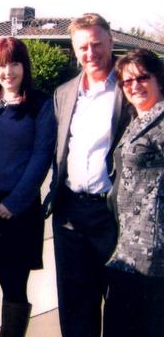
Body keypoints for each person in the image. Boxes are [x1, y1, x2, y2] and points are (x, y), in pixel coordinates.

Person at [48, 13, 133, 337]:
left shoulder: (130, 87)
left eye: (97, 44)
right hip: (70, 213)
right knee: (74, 308)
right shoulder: (65, 93)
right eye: (82, 46)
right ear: (74, 49)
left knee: (120, 305)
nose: (90, 52)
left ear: (111, 41)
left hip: (113, 214)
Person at [0, 37, 56, 337]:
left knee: (15, 288)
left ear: (24, 66)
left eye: (14, 63)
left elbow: (42, 156)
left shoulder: (42, 105)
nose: (8, 71)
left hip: (19, 213)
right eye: (1, 64)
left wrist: (14, 203)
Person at [103, 49, 164, 337]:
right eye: (128, 82)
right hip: (128, 245)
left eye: (143, 77)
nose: (135, 85)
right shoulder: (136, 120)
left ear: (158, 79)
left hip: (155, 251)